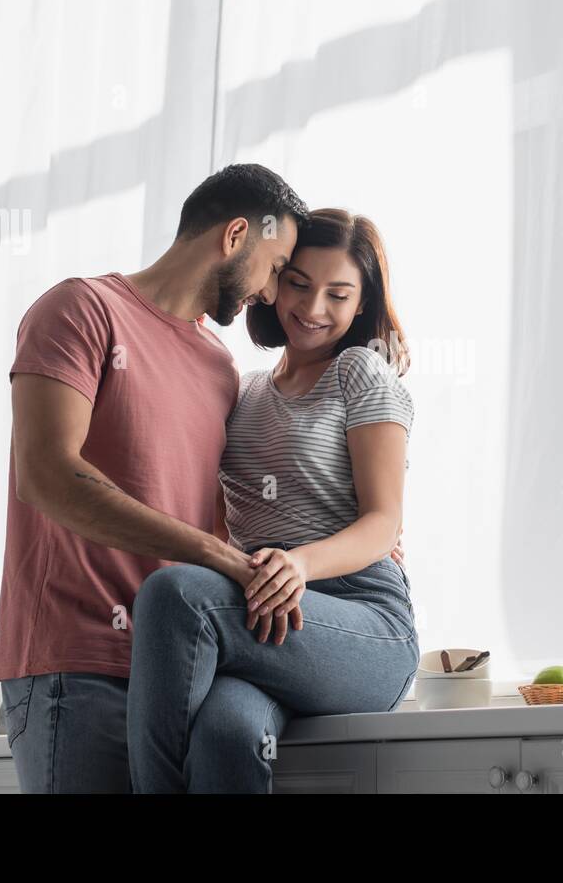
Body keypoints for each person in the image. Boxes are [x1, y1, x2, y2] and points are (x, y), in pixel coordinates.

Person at [0, 163, 312, 793]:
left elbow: (222, 506)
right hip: (74, 666)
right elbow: (46, 474)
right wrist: (208, 554)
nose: (273, 295)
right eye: (275, 268)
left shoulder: (221, 368)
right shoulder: (81, 310)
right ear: (235, 235)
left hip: (175, 669)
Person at [125, 207, 420, 793]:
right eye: (299, 285)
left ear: (361, 303)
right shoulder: (244, 389)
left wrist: (300, 563)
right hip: (265, 617)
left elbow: (384, 522)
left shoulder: (360, 372)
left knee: (173, 595)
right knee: (226, 736)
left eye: (338, 295)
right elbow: (216, 515)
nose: (312, 310)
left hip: (361, 620)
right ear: (276, 279)